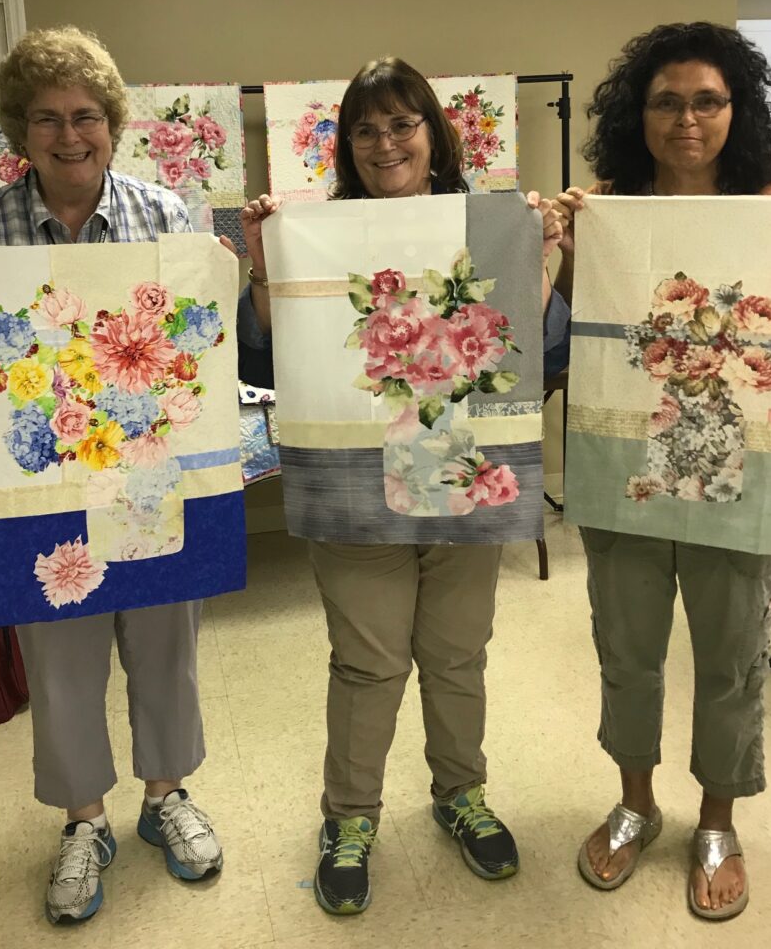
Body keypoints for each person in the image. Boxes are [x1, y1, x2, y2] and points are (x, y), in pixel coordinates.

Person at [0, 26, 266, 925]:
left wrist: (229, 277)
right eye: (45, 121)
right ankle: (83, 821)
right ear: (19, 134)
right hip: (42, 475)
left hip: (146, 467)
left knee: (162, 639)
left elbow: (198, 333)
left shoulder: (166, 213)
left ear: (111, 123)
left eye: (84, 117)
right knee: (59, 652)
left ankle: (165, 796)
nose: (69, 137)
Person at [240, 56, 570, 915]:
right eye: (365, 128)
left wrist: (544, 261)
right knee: (368, 662)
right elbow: (267, 355)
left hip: (463, 467)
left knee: (457, 657)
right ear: (345, 144)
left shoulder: (489, 223)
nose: (384, 143)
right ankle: (349, 817)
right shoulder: (318, 232)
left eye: (402, 123)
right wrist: (261, 261)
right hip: (354, 482)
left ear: (433, 132)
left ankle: (460, 794)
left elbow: (535, 351)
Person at [554, 21, 771, 921]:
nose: (686, 119)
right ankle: (635, 802)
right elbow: (597, 328)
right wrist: (572, 248)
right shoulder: (608, 209)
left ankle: (718, 819)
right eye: (666, 101)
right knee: (628, 647)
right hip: (631, 462)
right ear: (637, 112)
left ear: (736, 110)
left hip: (748, 470)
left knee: (732, 654)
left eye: (707, 100)